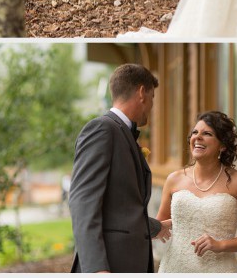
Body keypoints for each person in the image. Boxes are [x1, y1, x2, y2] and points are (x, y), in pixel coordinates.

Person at [70, 64, 171, 272]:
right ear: (142, 93)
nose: (152, 106)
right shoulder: (102, 129)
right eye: (152, 97)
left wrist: (156, 227)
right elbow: (82, 201)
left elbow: (120, 208)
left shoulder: (122, 132)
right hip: (109, 265)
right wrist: (97, 268)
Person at [154, 112, 237, 273]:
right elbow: (158, 226)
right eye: (195, 132)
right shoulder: (174, 179)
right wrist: (161, 225)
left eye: (207, 134)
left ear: (222, 145)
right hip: (174, 268)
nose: (198, 137)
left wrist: (221, 245)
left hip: (219, 269)